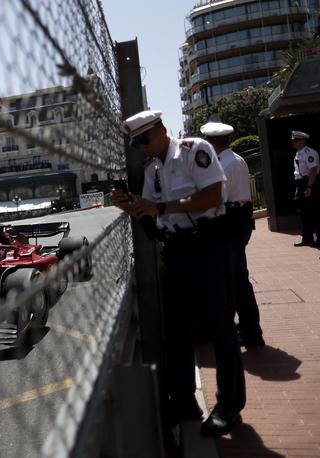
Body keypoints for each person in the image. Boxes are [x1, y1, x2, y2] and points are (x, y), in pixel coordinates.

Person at [111, 110, 245, 436]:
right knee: (177, 330)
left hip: (207, 248)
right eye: (136, 143)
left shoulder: (193, 150)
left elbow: (213, 195)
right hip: (175, 251)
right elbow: (155, 216)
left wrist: (161, 207)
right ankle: (185, 400)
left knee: (220, 327)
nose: (142, 147)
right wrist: (133, 206)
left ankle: (229, 405)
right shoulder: (152, 169)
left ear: (162, 131)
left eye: (145, 139)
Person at [201, 122, 264, 347]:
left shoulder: (222, 166)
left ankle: (251, 332)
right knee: (237, 277)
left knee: (235, 279)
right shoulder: (235, 159)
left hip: (231, 223)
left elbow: (216, 199)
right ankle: (248, 328)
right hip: (239, 222)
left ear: (210, 143)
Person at [291, 131, 319, 247]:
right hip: (301, 184)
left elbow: (313, 170)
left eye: (295, 140)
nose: (293, 142)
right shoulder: (299, 153)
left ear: (302, 140)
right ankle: (307, 238)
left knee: (314, 212)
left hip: (308, 183)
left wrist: (309, 187)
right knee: (304, 213)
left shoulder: (309, 152)